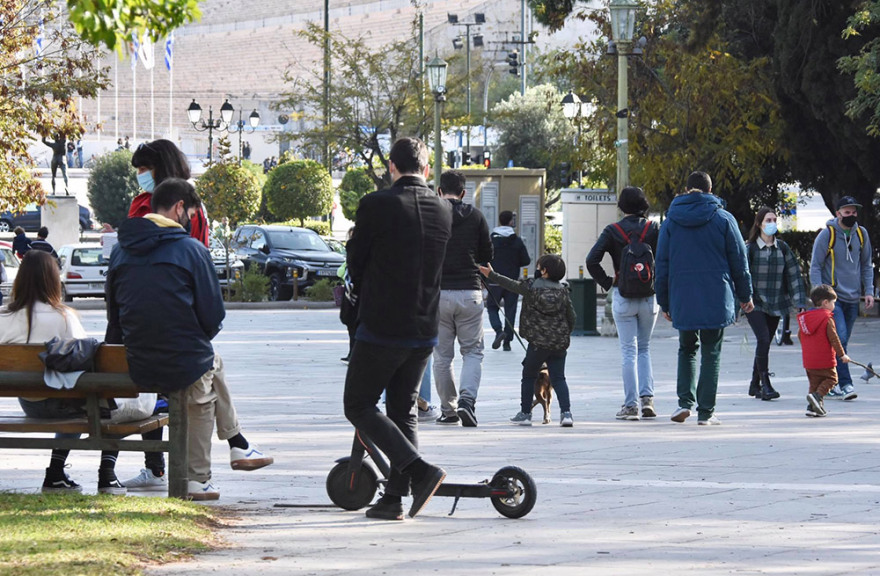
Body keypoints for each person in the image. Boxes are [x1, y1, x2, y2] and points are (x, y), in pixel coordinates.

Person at [105, 178, 273, 500]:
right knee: (205, 375)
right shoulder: (192, 250)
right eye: (192, 214)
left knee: (208, 364)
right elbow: (213, 316)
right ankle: (204, 473)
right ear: (180, 208)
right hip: (182, 363)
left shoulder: (119, 252)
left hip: (135, 363)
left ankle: (239, 446)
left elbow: (114, 317)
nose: (191, 221)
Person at [343, 137, 452, 521]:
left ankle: (419, 470)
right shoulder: (443, 209)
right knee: (403, 408)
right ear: (426, 169)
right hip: (425, 325)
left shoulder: (376, 204)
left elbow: (356, 264)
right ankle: (394, 498)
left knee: (357, 404)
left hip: (382, 325)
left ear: (391, 167)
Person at [0, 251, 127, 494]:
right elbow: (87, 360)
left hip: (27, 401)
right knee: (105, 403)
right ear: (52, 280)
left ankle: (58, 474)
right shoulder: (64, 317)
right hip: (59, 404)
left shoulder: (2, 316)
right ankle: (94, 473)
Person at [655, 171, 754, 426]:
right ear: (711, 190)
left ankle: (684, 402)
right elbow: (739, 261)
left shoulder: (671, 221)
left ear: (686, 190)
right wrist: (745, 295)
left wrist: (664, 301)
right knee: (712, 351)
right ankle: (706, 412)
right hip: (716, 294)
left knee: (687, 348)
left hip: (682, 294)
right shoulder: (723, 218)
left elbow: (662, 264)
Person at [586, 186, 660, 421]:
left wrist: (608, 281)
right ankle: (647, 399)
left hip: (623, 295)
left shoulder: (613, 231)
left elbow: (591, 260)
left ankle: (630, 406)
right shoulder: (653, 229)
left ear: (621, 207)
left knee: (629, 350)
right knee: (645, 348)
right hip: (649, 296)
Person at [479, 254, 576, 427]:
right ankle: (566, 414)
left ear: (544, 271)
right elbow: (572, 317)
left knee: (529, 375)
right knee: (559, 378)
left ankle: (525, 413)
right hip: (559, 343)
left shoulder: (531, 287)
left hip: (537, 343)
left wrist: (491, 275)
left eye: (539, 267)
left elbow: (510, 284)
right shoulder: (563, 290)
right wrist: (563, 334)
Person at [433, 170, 493, 427]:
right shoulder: (476, 216)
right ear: (464, 193)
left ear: (438, 191)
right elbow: (486, 253)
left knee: (442, 357)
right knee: (472, 352)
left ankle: (449, 410)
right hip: (470, 292)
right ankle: (468, 402)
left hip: (438, 293)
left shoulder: (431, 215)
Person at [808, 196, 874, 401]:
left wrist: (869, 290)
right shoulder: (827, 235)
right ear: (838, 213)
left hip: (853, 297)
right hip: (832, 300)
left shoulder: (861, 234)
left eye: (854, 212)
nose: (851, 215)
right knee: (840, 339)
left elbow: (866, 264)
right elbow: (816, 266)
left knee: (839, 342)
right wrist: (820, 296)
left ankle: (829, 380)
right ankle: (845, 384)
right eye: (847, 212)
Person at [744, 207, 807, 400]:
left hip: (777, 302)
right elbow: (741, 275)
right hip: (754, 303)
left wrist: (799, 300)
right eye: (767, 220)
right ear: (759, 224)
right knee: (763, 339)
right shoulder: (750, 248)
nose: (771, 223)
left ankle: (754, 384)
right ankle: (765, 384)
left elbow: (794, 274)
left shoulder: (782, 248)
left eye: (774, 220)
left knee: (766, 342)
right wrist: (743, 298)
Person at [130, 139, 209, 246]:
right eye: (138, 170)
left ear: (161, 169)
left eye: (143, 169)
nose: (139, 174)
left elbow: (198, 250)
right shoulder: (139, 202)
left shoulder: (191, 206)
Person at [797, 285, 850, 418]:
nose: (834, 305)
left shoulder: (806, 318)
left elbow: (800, 335)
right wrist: (842, 354)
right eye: (833, 303)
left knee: (814, 383)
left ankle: (812, 407)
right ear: (825, 302)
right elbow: (834, 338)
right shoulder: (827, 318)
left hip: (809, 360)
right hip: (825, 359)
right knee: (832, 379)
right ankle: (817, 396)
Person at [486, 211, 531, 351]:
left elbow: (483, 258)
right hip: (512, 282)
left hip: (494, 280)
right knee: (510, 311)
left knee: (492, 307)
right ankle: (507, 342)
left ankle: (499, 331)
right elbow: (526, 260)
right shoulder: (516, 241)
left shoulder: (491, 240)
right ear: (511, 222)